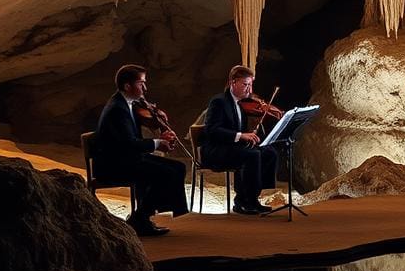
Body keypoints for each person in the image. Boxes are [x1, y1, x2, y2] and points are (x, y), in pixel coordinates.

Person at [95, 64, 188, 236]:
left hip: (128, 158)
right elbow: (128, 143)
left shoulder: (128, 103)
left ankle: (143, 216)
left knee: (178, 168)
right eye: (141, 84)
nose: (145, 88)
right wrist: (157, 143)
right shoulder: (117, 109)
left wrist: (158, 138)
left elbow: (132, 142)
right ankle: (140, 217)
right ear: (127, 86)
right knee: (166, 174)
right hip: (115, 164)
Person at [202, 65, 278, 215]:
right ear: (233, 82)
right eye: (245, 84)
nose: (249, 90)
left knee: (269, 152)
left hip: (233, 147)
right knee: (252, 155)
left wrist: (249, 136)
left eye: (250, 84)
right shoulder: (218, 102)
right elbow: (212, 130)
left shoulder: (241, 103)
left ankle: (249, 197)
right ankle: (247, 201)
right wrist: (240, 135)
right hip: (216, 150)